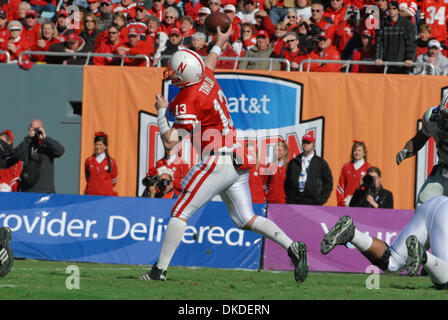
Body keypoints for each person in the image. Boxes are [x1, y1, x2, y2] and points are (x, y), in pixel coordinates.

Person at [139, 26, 308, 283]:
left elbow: (170, 141)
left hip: (216, 159)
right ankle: (292, 246)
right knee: (245, 218)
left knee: (180, 211)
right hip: (236, 158)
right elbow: (210, 61)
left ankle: (158, 271)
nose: (170, 74)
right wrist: (219, 41)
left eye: (174, 72)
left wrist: (161, 112)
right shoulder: (205, 76)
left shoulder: (188, 98)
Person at [321, 195, 448, 289]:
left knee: (391, 263)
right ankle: (423, 255)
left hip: (432, 203)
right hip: (444, 212)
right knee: (445, 281)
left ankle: (352, 234)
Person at [396, 93, 448, 207]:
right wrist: (406, 150)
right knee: (423, 205)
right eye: (444, 115)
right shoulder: (431, 118)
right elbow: (419, 139)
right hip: (442, 170)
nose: (445, 120)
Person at [16, 119, 65, 194]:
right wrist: (28, 139)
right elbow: (18, 155)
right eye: (33, 129)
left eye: (37, 129)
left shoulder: (47, 145)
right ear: (29, 130)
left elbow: (60, 151)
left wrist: (45, 138)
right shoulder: (27, 144)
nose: (35, 132)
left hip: (46, 190)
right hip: (28, 190)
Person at [284, 132, 333, 205]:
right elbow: (287, 182)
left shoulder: (320, 163)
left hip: (312, 202)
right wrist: (290, 198)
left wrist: (320, 199)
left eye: (308, 142)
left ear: (313, 144)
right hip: (295, 202)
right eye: (304, 142)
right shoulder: (294, 162)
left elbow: (328, 183)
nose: (305, 144)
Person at [374, 0, 416, 74]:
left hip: (402, 64)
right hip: (387, 63)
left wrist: (409, 58)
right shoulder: (382, 24)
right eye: (390, 9)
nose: (391, 11)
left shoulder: (407, 24)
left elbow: (411, 42)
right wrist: (378, 57)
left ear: (398, 11)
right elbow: (379, 42)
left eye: (394, 9)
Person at [336, 140, 371, 207]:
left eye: (359, 150)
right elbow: (341, 185)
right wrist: (341, 201)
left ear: (364, 153)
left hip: (361, 203)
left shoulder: (368, 168)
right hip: (347, 202)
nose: (357, 153)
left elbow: (369, 188)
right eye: (355, 150)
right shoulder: (346, 167)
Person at [84, 132, 118, 196]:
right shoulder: (88, 160)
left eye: (100, 145)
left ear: (105, 147)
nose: (98, 147)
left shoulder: (111, 161)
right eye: (96, 144)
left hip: (106, 196)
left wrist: (104, 187)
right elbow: (87, 177)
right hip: (91, 195)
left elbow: (114, 180)